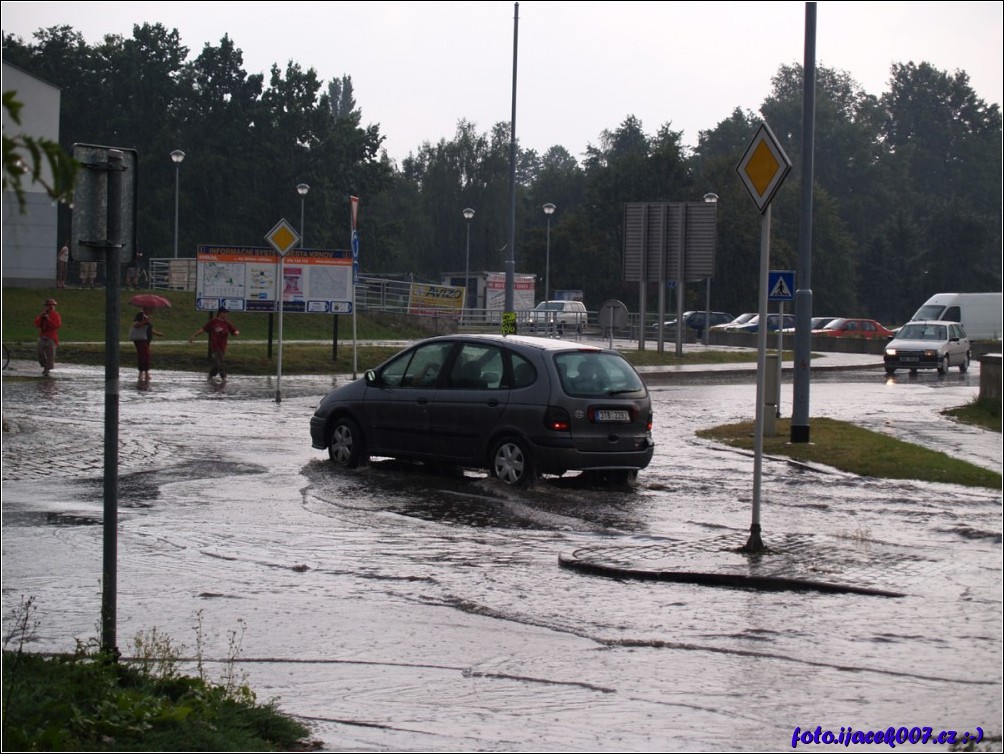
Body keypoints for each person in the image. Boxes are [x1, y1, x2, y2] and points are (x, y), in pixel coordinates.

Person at [189, 306, 240, 383]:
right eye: (224, 313)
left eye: (227, 313)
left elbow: (234, 330)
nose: (226, 314)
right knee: (220, 361)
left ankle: (210, 376)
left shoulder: (227, 323)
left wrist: (236, 333)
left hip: (223, 346)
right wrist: (194, 336)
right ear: (220, 313)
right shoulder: (213, 322)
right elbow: (203, 329)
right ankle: (224, 378)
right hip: (215, 346)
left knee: (217, 363)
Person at [130, 307, 163, 381]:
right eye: (151, 309)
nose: (152, 310)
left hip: (146, 339)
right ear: (146, 308)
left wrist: (157, 333)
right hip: (141, 339)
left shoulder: (146, 316)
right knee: (146, 355)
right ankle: (146, 373)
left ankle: (141, 373)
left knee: (142, 355)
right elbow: (135, 325)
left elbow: (148, 328)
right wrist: (145, 321)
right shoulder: (140, 315)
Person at [34, 298, 62, 377]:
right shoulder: (41, 315)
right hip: (42, 337)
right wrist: (41, 318)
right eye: (48, 305)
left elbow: (57, 325)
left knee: (50, 355)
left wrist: (48, 320)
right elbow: (37, 324)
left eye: (52, 305)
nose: (50, 307)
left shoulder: (56, 315)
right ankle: (45, 365)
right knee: (40, 353)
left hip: (51, 338)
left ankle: (47, 369)